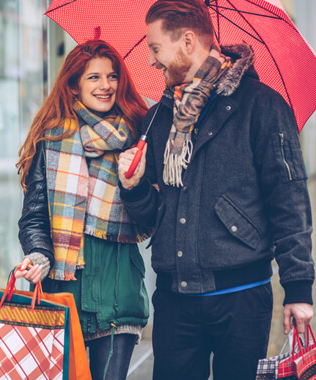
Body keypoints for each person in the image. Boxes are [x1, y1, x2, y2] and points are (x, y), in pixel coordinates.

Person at [117, 1, 315, 379]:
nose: (152, 62)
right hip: (175, 300)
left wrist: (298, 288)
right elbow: (152, 215)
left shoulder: (262, 106)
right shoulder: (158, 117)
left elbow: (289, 201)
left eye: (156, 48)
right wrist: (134, 187)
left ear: (188, 41)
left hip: (242, 297)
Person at [15, 39, 151, 380]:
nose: (105, 85)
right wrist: (39, 255)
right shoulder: (51, 140)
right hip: (63, 288)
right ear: (74, 84)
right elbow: (33, 215)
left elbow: (152, 217)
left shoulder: (138, 135)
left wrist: (134, 184)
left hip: (119, 290)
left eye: (112, 76)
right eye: (94, 77)